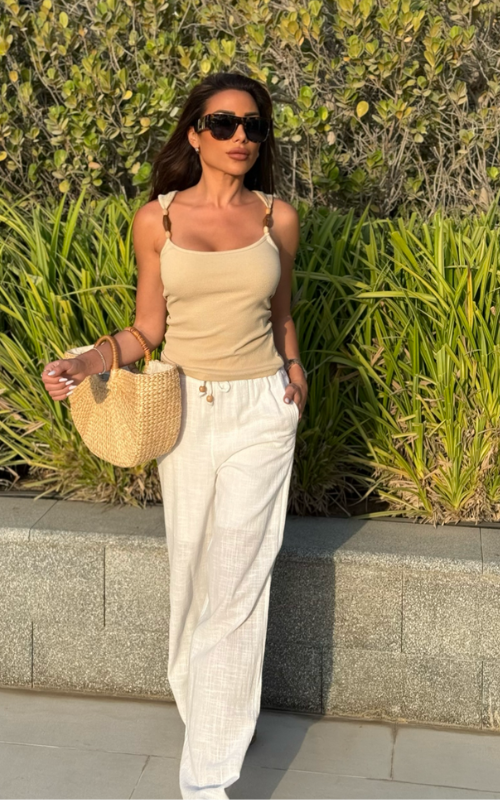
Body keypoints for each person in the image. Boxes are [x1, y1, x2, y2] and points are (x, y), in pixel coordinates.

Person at [41, 71, 308, 799]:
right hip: (185, 409)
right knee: (191, 574)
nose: (241, 138)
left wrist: (295, 371)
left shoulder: (277, 218)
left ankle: (206, 779)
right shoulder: (155, 220)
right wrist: (89, 361)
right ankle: (212, 711)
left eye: (253, 126)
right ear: (195, 133)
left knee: (238, 583)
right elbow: (147, 328)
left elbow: (281, 313)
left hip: (262, 412)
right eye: (224, 124)